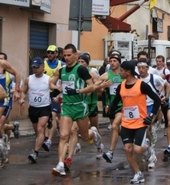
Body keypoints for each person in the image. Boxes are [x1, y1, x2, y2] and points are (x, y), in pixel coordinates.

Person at [50, 43, 102, 176]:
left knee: (84, 136)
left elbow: (91, 87)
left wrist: (77, 91)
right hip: (67, 106)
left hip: (80, 106)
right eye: (64, 55)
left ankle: (94, 134)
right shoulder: (61, 70)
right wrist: (57, 88)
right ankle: (61, 164)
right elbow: (51, 83)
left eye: (69, 55)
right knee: (63, 136)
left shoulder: (81, 70)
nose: (66, 58)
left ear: (75, 55)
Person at [109, 60, 161, 184]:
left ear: (128, 72)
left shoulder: (141, 85)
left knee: (137, 150)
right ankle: (138, 173)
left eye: (121, 71)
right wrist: (110, 108)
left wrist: (151, 115)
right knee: (127, 149)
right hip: (126, 123)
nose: (119, 73)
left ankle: (147, 148)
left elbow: (157, 100)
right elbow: (116, 100)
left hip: (140, 123)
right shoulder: (121, 86)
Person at [137, 58, 170, 168]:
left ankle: (151, 152)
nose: (141, 70)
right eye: (139, 68)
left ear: (147, 68)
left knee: (146, 127)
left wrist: (166, 97)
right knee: (143, 131)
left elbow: (167, 85)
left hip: (151, 105)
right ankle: (148, 146)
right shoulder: (136, 79)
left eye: (143, 67)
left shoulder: (154, 77)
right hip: (139, 107)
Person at [19, 57, 51, 163]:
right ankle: (42, 141)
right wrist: (22, 99)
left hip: (44, 107)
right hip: (33, 108)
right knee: (37, 131)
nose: (35, 69)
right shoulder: (29, 79)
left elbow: (55, 88)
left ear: (42, 66)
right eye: (33, 67)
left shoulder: (48, 79)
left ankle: (35, 153)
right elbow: (24, 91)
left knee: (40, 129)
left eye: (37, 67)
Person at [99, 54, 123, 163]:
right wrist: (103, 86)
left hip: (123, 106)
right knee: (118, 129)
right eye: (110, 61)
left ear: (119, 62)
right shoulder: (105, 76)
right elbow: (97, 90)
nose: (112, 63)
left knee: (114, 127)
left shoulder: (125, 75)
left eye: (114, 61)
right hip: (111, 105)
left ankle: (110, 152)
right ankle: (130, 140)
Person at [43, 45, 65, 152]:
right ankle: (48, 138)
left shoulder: (62, 65)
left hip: (57, 93)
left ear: (57, 54)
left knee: (55, 115)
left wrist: (59, 89)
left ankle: (52, 139)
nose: (50, 54)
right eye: (48, 52)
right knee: (50, 116)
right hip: (45, 93)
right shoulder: (43, 64)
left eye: (52, 52)